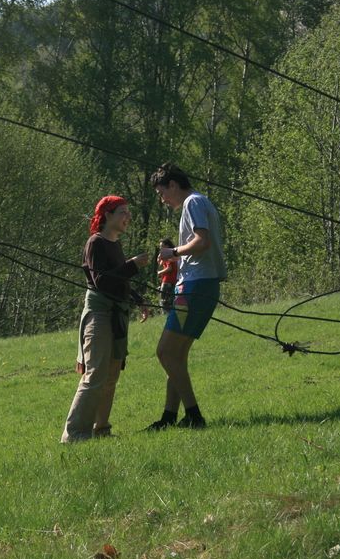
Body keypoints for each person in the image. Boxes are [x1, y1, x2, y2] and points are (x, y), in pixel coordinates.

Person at [145, 164, 226, 431]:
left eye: (162, 192)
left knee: (165, 352)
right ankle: (169, 417)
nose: (162, 200)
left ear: (173, 185)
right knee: (176, 356)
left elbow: (202, 242)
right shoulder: (202, 202)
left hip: (193, 288)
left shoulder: (192, 202)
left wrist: (174, 252)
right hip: (201, 287)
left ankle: (194, 415)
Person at [61, 195, 149, 443]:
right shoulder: (95, 243)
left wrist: (138, 298)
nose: (128, 217)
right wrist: (132, 265)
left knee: (111, 375)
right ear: (108, 215)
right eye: (123, 212)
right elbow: (101, 282)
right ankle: (75, 434)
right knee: (95, 374)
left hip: (117, 315)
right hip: (99, 316)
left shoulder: (115, 243)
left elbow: (118, 280)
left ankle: (101, 430)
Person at [156, 238, 178, 312]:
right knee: (169, 300)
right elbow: (163, 264)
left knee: (164, 300)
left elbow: (169, 268)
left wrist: (160, 272)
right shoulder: (171, 254)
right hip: (172, 280)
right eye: (160, 246)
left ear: (167, 246)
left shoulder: (169, 255)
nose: (160, 248)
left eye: (162, 246)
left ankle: (165, 315)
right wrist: (159, 260)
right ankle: (167, 314)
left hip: (168, 280)